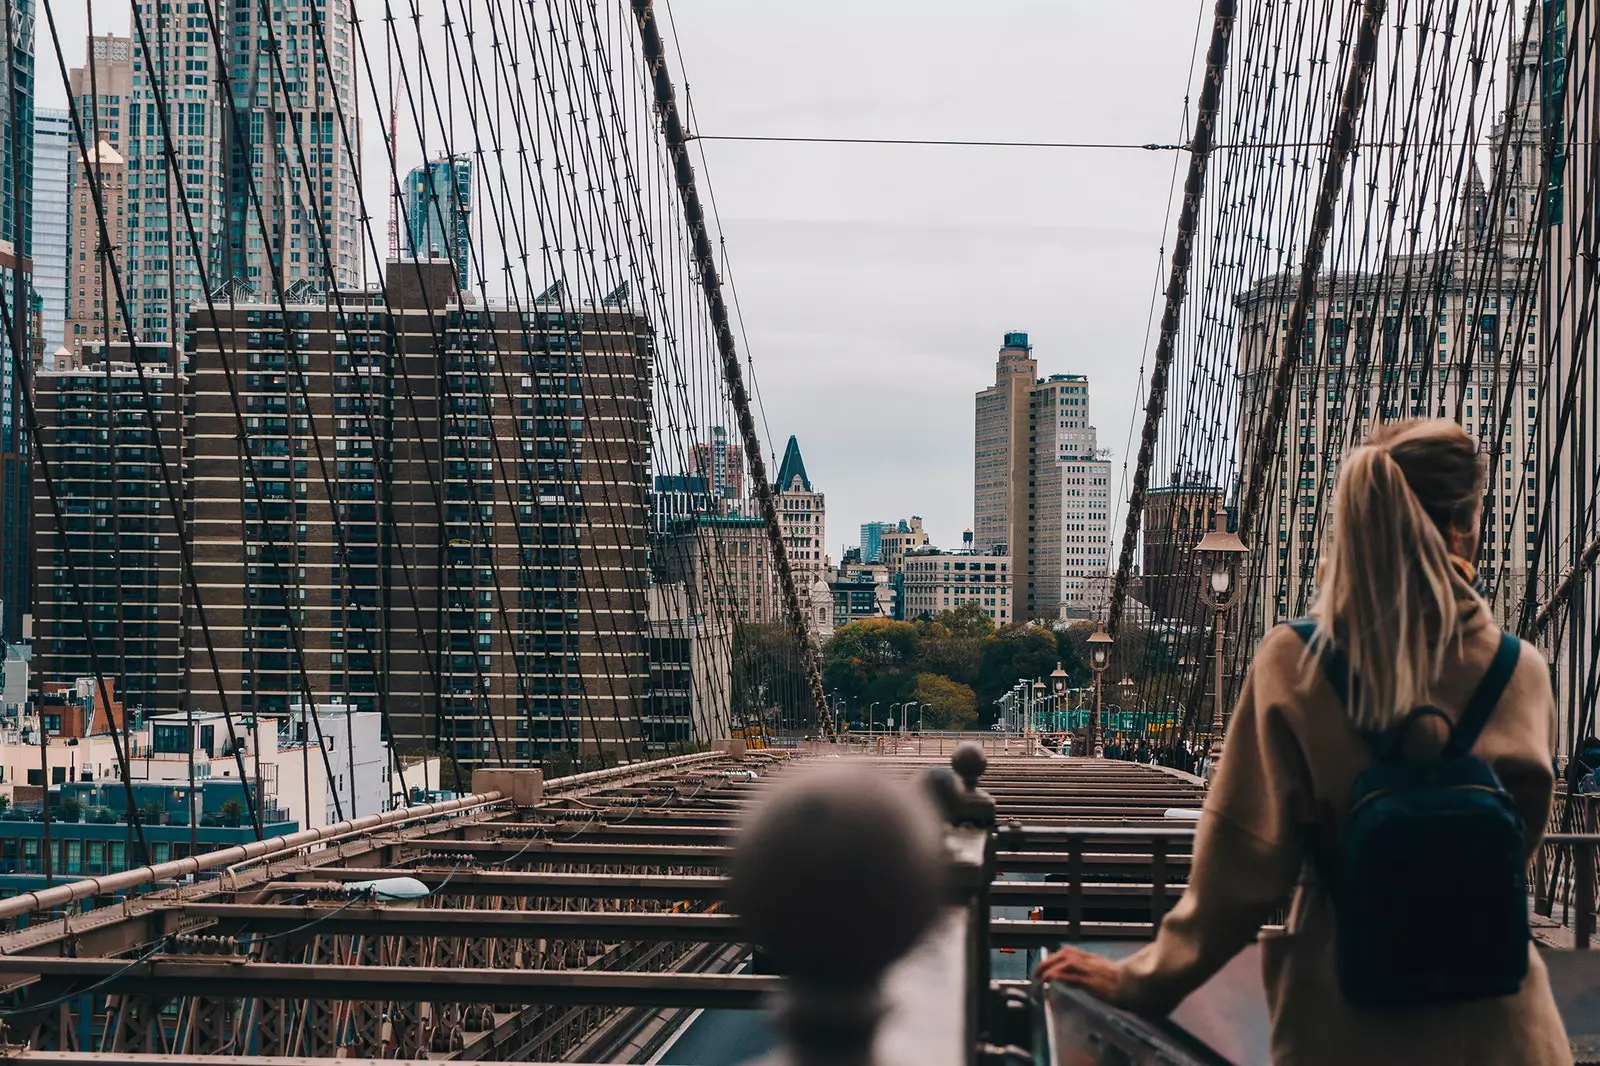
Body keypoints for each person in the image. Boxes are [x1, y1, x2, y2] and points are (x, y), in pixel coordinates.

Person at [1035, 420, 1569, 1065]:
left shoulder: (1298, 663)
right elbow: (1512, 854)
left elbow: (1240, 879)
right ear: (1467, 523)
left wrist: (1140, 979)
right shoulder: (1521, 671)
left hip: (1348, 1022)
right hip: (1509, 1030)